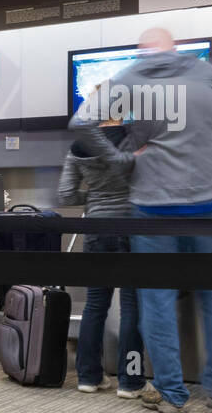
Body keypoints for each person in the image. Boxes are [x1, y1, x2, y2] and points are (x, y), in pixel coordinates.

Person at [71, 26, 212, 413]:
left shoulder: (131, 76)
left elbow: (83, 122)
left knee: (156, 299)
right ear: (177, 49)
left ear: (143, 51)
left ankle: (172, 394)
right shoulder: (208, 75)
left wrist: (122, 162)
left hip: (154, 205)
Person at [57, 120, 146, 398]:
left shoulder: (78, 146)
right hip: (131, 229)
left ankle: (88, 377)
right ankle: (130, 383)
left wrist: (95, 196)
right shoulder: (133, 141)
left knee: (95, 304)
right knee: (131, 305)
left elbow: (66, 194)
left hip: (95, 230)